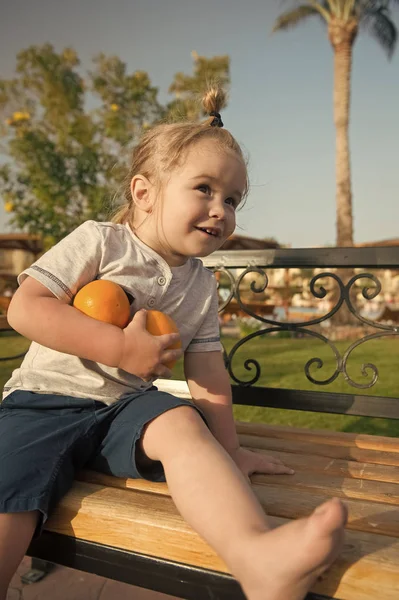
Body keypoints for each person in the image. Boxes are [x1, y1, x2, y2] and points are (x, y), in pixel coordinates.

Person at [0, 88, 347, 600]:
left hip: (124, 411)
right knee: (11, 496)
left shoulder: (202, 285)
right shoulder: (101, 241)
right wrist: (118, 348)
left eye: (232, 200)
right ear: (144, 193)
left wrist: (229, 449)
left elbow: (206, 371)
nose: (221, 210)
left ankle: (259, 559)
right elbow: (26, 307)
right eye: (204, 189)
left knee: (183, 421)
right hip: (45, 400)